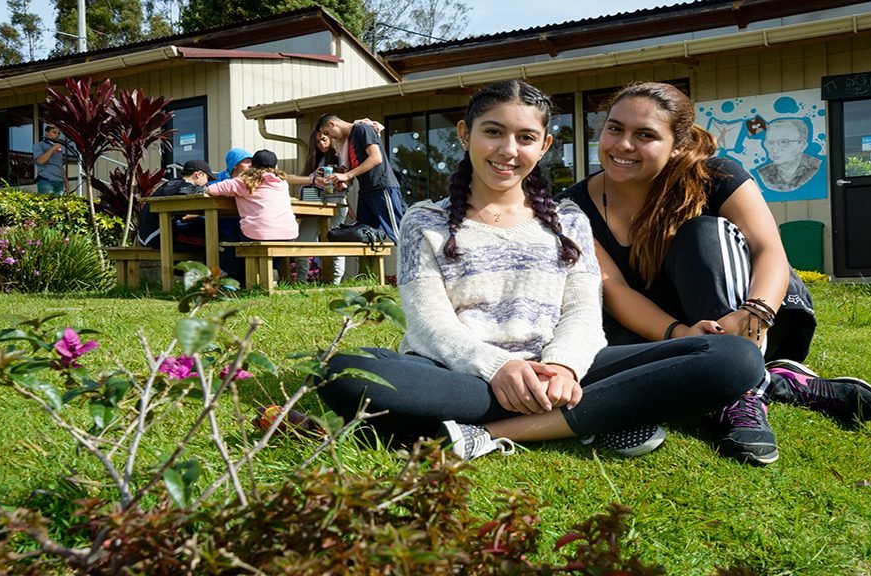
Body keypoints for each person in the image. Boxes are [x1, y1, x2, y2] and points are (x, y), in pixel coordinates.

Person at [318, 79, 768, 463]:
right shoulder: (424, 219)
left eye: (526, 138)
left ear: (545, 144)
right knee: (345, 371)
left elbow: (583, 314)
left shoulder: (569, 219)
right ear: (464, 133)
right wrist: (498, 367)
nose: (508, 151)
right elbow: (428, 323)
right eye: (493, 132)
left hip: (563, 374)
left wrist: (562, 367)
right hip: (461, 374)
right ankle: (603, 413)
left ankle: (489, 434)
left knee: (735, 358)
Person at [560, 81, 871, 464]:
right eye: (615, 128)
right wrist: (680, 334)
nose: (623, 145)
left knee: (703, 231)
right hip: (667, 333)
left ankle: (738, 394)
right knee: (604, 341)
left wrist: (757, 312)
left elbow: (769, 250)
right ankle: (775, 383)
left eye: (645, 135)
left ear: (678, 144)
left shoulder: (715, 175)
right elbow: (612, 286)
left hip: (752, 315)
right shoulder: (574, 205)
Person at [207, 149, 298, 282]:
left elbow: (211, 189)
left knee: (234, 238)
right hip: (289, 235)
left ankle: (229, 277)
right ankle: (271, 277)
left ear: (253, 165)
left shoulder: (243, 181)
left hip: (258, 235)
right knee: (243, 234)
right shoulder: (282, 182)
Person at [318, 113, 405, 243]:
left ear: (332, 124)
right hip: (365, 192)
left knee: (399, 234)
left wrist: (347, 175)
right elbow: (355, 168)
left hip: (382, 187)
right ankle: (368, 264)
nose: (330, 137)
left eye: (327, 132)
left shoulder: (362, 129)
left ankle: (417, 262)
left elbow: (376, 158)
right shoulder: (348, 141)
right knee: (365, 237)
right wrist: (343, 179)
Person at [288, 129, 350, 284]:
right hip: (314, 203)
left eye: (324, 139)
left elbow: (348, 183)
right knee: (303, 239)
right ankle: (301, 281)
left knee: (334, 240)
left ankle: (335, 281)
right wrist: (313, 176)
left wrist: (337, 176)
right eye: (317, 141)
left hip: (336, 202)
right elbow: (304, 181)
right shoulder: (314, 160)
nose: (321, 144)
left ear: (331, 138)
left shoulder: (341, 156)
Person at [137, 159, 215, 250]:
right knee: (212, 243)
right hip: (157, 236)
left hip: (147, 235)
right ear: (199, 174)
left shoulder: (171, 184)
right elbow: (195, 192)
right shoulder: (185, 187)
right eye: (207, 179)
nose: (207, 183)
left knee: (199, 227)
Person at [756, 119, 821, 192]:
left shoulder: (817, 167)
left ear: (802, 145)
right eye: (770, 143)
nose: (774, 149)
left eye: (783, 142)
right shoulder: (763, 173)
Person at [32, 124, 69, 195]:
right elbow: (40, 161)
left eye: (58, 133)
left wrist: (66, 182)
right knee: (47, 204)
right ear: (46, 133)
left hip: (59, 182)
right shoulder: (39, 145)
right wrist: (52, 148)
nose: (57, 135)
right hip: (46, 180)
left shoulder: (58, 148)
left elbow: (60, 166)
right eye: (54, 132)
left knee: (59, 205)